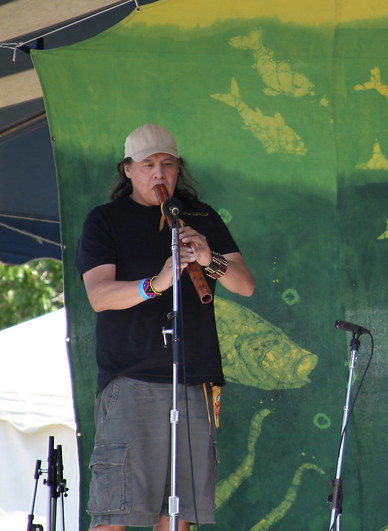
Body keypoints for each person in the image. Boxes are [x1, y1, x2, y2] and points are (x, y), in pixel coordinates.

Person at [76, 123, 255, 531]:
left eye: (168, 164)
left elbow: (244, 284)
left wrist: (209, 258)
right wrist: (156, 284)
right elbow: (100, 295)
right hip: (132, 378)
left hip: (192, 379)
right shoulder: (105, 220)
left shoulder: (200, 216)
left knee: (178, 514)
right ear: (128, 170)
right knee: (115, 509)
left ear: (178, 169)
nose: (159, 174)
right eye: (149, 164)